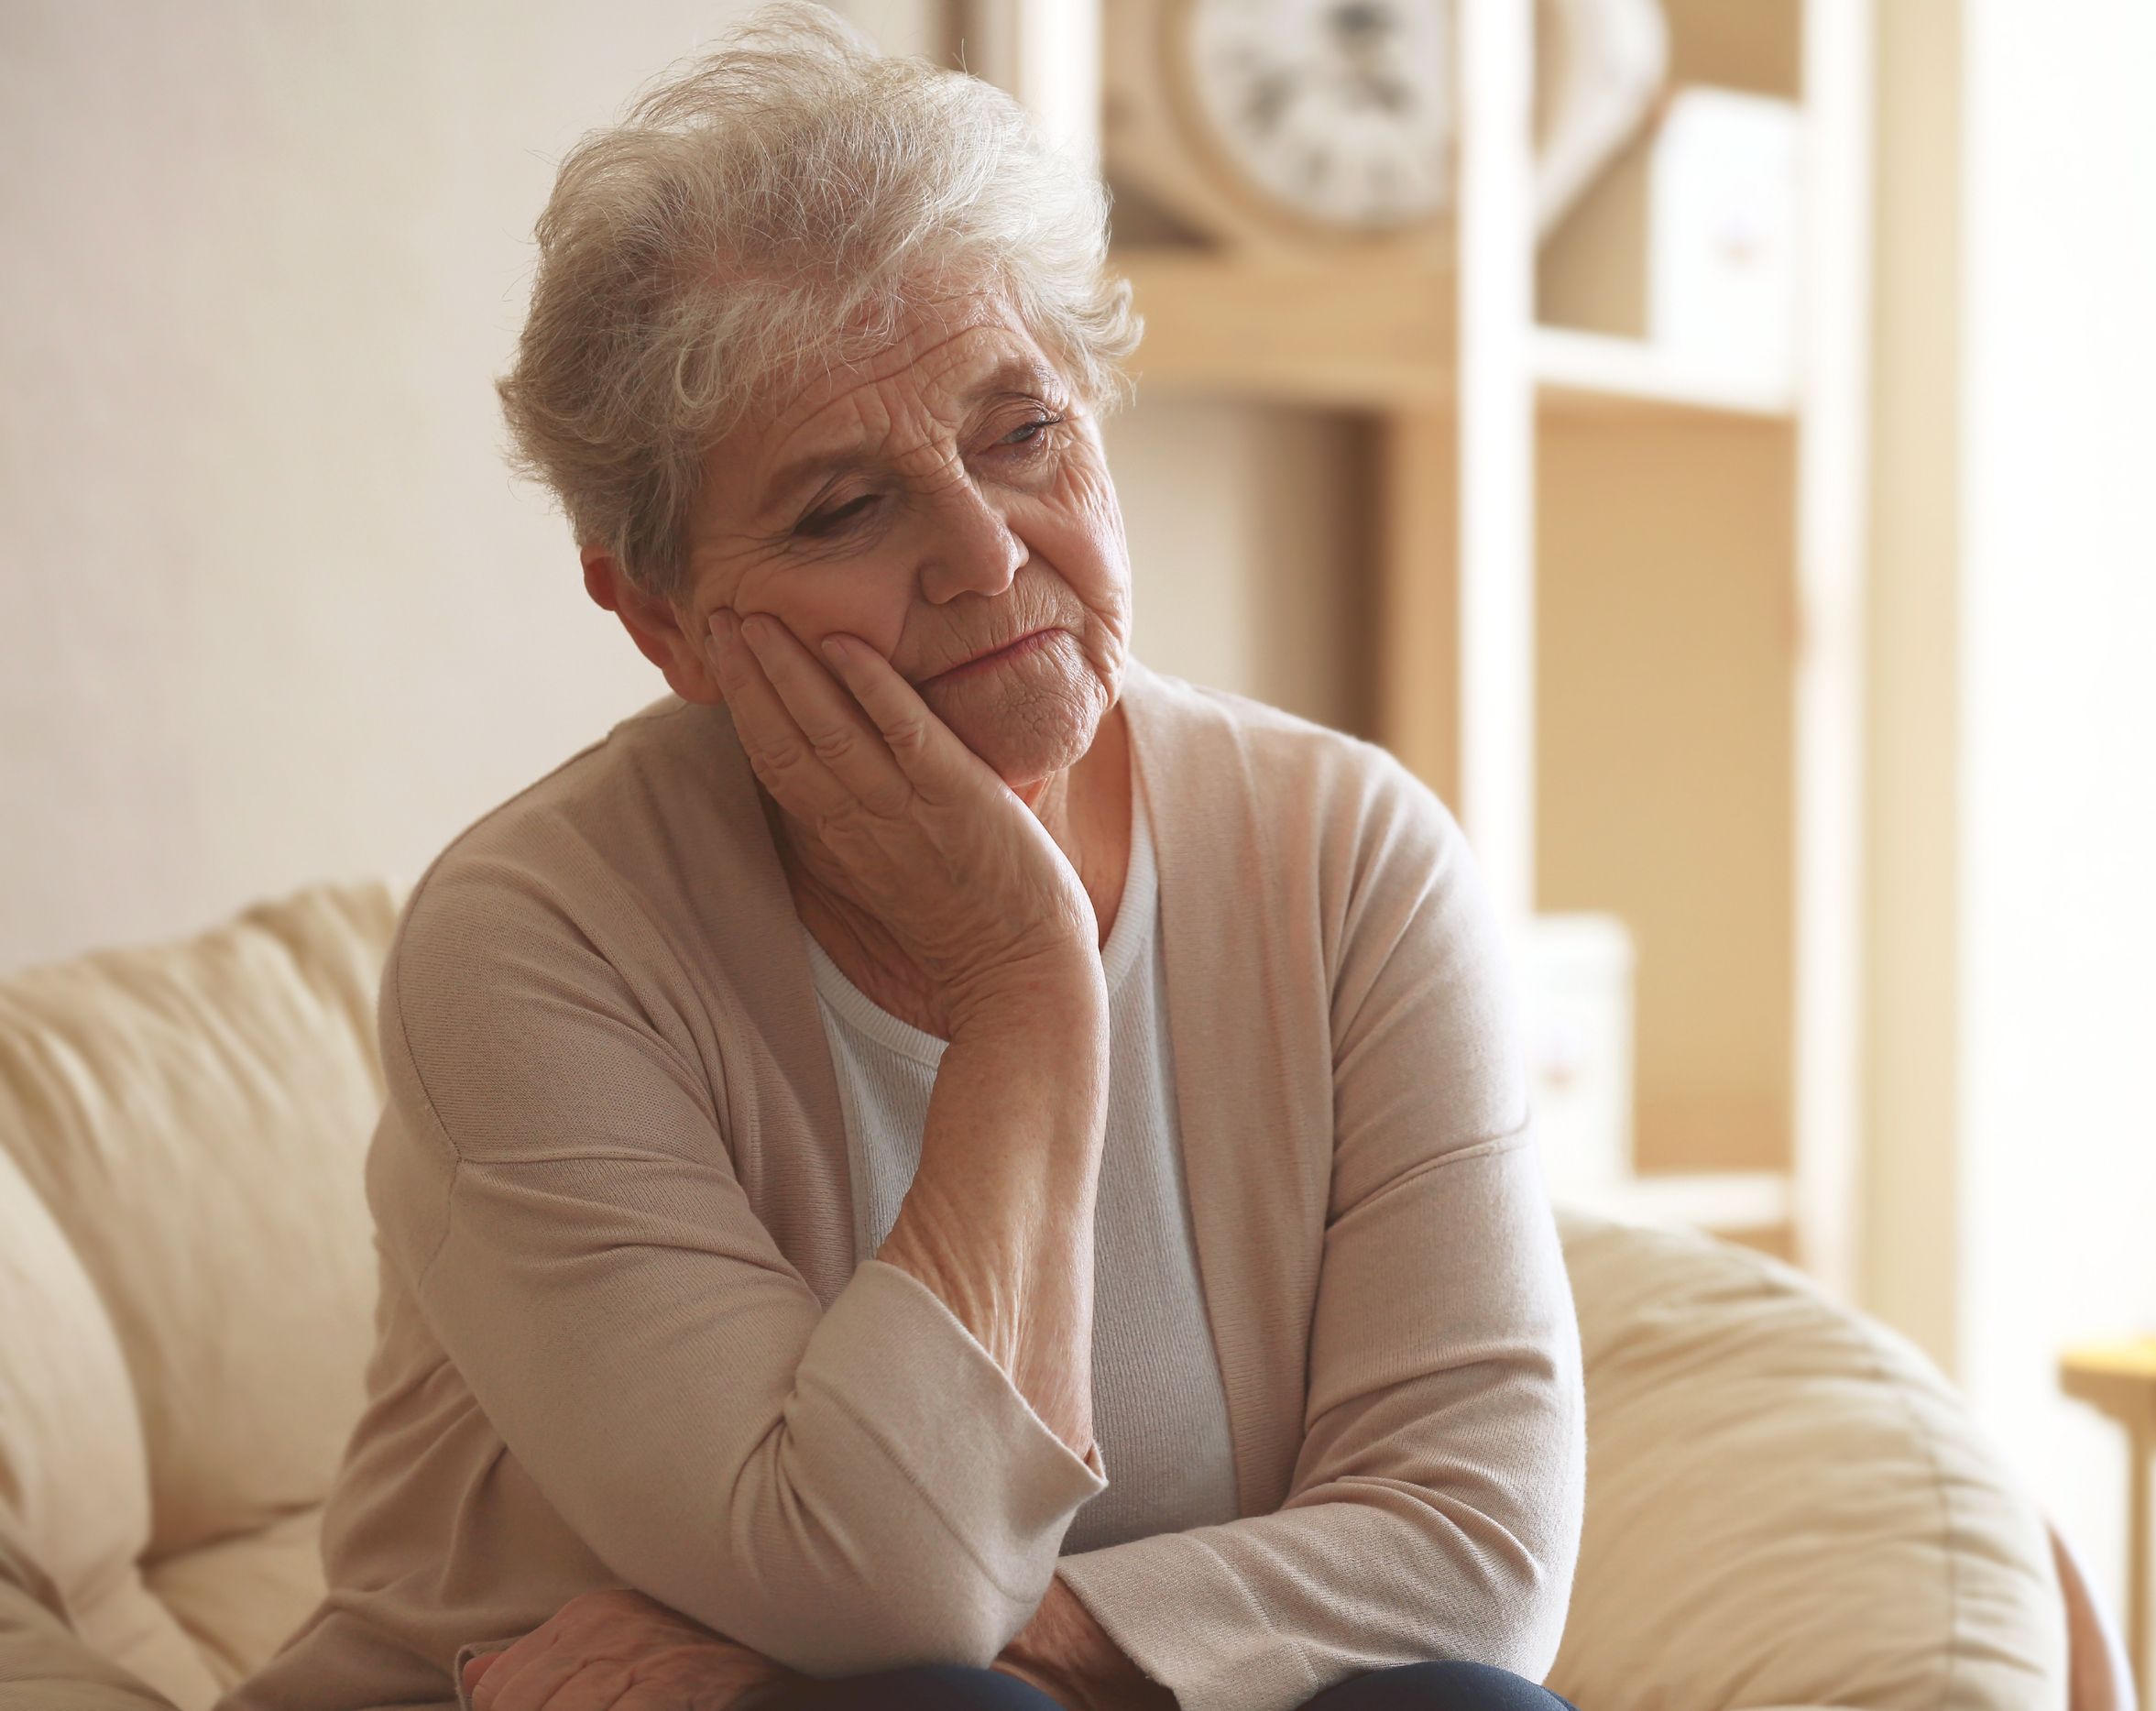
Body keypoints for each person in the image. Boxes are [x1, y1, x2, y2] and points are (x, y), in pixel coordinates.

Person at [216, 6, 1583, 1709]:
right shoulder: (534, 944)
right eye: (842, 509)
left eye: (1023, 433)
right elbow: (898, 1593)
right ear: (659, 616)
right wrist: (1026, 989)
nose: (983, 554)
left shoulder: (1350, 857)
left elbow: (1478, 1552)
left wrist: (793, 1661)